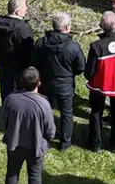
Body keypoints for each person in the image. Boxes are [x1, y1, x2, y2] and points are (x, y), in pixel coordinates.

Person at [0, 67, 54, 184]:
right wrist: (48, 139)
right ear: (39, 83)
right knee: (35, 173)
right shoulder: (44, 104)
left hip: (14, 143)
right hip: (36, 146)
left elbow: (2, 121)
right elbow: (50, 129)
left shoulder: (11, 99)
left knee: (12, 170)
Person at [31, 12, 85, 150]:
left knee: (45, 110)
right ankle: (65, 142)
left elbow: (34, 62)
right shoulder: (73, 47)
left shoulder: (41, 43)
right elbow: (80, 67)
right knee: (66, 113)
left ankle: (44, 137)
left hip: (46, 82)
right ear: (67, 27)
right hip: (65, 84)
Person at [85, 11, 115, 151]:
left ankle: (95, 143)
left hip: (99, 85)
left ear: (101, 26)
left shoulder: (96, 46)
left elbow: (89, 71)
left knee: (96, 112)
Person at [0, 0, 35, 101]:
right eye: (24, 8)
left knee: (6, 91)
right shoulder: (24, 29)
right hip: (20, 68)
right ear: (17, 12)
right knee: (21, 95)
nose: (26, 10)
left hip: (3, 64)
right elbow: (30, 51)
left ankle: (6, 113)